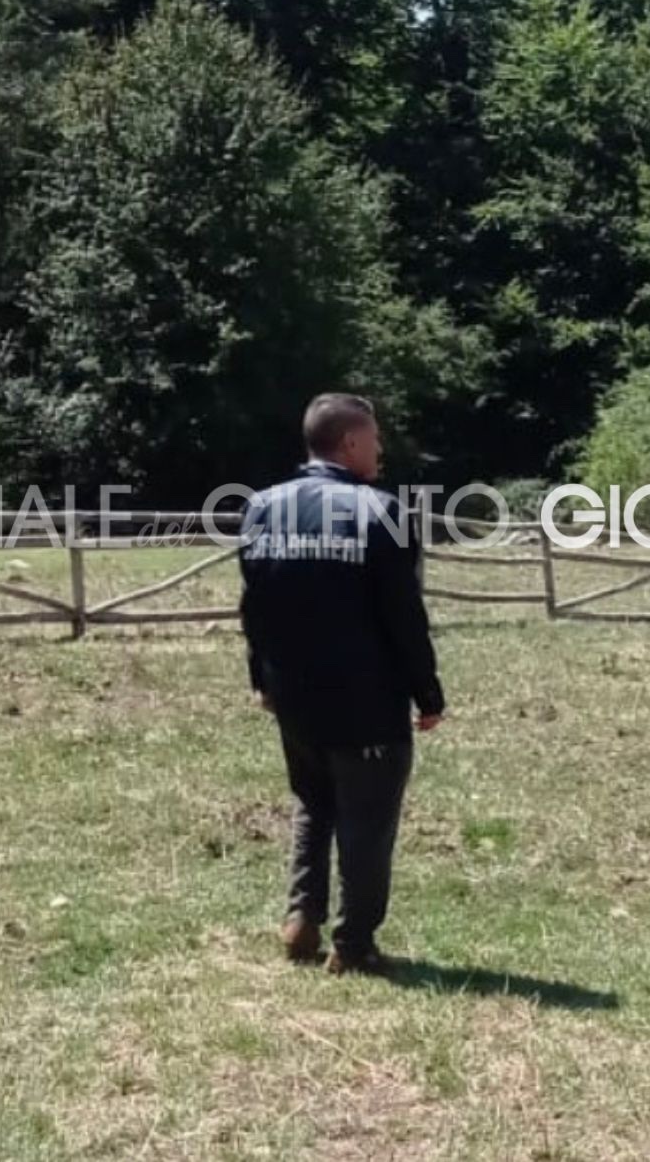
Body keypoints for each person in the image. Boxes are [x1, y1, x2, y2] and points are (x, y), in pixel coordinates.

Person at [238, 394, 445, 974]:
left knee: (314, 801)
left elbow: (253, 606)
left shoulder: (262, 507)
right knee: (368, 820)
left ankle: (302, 918)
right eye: (374, 437)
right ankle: (354, 946)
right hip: (366, 698)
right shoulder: (382, 511)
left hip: (294, 697)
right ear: (350, 443)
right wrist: (427, 693)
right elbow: (404, 616)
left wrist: (263, 678)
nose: (380, 447)